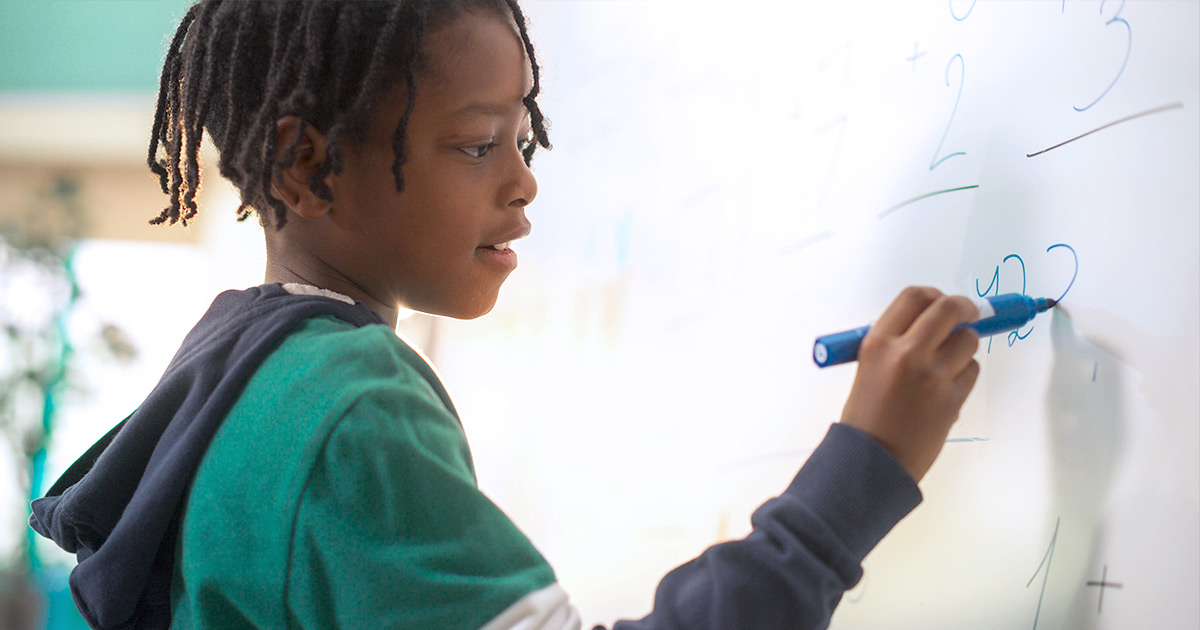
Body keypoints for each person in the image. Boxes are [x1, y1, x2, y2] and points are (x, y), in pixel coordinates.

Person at [29, 1, 982, 629]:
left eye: (524, 138)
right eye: (480, 144)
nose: (525, 182)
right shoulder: (352, 404)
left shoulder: (241, 373)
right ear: (307, 167)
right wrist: (863, 472)